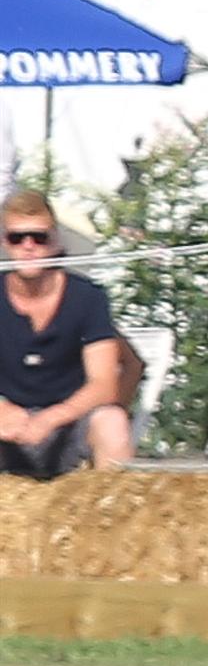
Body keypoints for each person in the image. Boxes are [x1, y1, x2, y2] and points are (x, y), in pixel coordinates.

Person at [0, 185, 133, 478]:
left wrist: (50, 418)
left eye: (39, 236)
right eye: (17, 237)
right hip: (7, 429)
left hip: (70, 426)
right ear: (5, 243)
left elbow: (105, 384)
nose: (29, 245)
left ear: (54, 239)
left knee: (112, 422)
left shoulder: (87, 297)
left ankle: (119, 519)